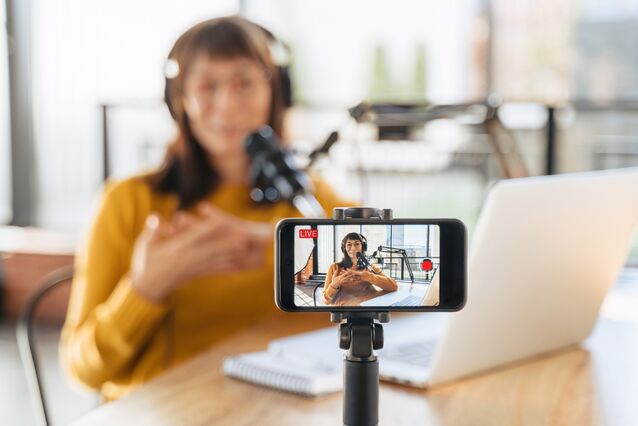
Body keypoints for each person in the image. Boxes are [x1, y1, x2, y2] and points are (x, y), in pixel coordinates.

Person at [60, 16, 349, 401]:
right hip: (166, 410)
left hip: (282, 408)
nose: (227, 104)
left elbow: (411, 292)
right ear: (179, 99)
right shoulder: (129, 202)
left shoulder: (313, 200)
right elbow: (83, 369)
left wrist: (282, 247)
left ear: (275, 92)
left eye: (244, 82)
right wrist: (145, 289)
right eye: (206, 86)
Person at [322, 233, 397, 306]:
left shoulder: (369, 267)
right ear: (344, 248)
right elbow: (325, 301)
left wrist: (370, 277)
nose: (353, 248)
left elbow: (393, 286)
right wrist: (334, 285)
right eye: (349, 244)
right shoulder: (335, 268)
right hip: (346, 312)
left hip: (368, 308)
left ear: (363, 247)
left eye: (357, 244)